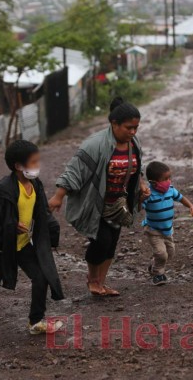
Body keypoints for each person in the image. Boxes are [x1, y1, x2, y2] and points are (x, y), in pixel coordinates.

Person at [49, 97, 151, 297]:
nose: (133, 132)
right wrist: (58, 196)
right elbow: (74, 170)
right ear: (114, 124)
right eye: (129, 127)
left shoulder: (134, 143)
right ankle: (92, 279)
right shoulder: (95, 144)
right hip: (97, 203)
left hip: (119, 203)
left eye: (136, 128)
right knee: (101, 240)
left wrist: (141, 184)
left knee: (112, 242)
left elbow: (137, 167)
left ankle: (101, 283)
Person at [0, 140, 64, 341]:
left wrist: (52, 233)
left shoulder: (35, 185)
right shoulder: (2, 190)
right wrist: (9, 226)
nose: (37, 166)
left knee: (41, 276)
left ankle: (36, 321)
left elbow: (41, 213)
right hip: (1, 247)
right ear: (18, 166)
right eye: (33, 162)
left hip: (22, 244)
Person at [143, 161, 193, 286]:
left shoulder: (171, 190)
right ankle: (158, 274)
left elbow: (181, 198)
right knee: (161, 253)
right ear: (153, 182)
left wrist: (190, 206)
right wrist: (142, 197)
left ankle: (154, 264)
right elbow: (138, 207)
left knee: (170, 253)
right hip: (153, 230)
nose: (169, 181)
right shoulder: (149, 195)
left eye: (169, 178)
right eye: (165, 179)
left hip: (167, 230)